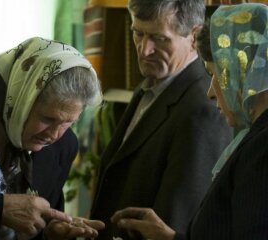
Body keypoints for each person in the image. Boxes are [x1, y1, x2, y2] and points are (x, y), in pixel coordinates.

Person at [111, 3, 268, 240]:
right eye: (138, 33)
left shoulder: (262, 145)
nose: (211, 91)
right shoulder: (255, 136)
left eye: (217, 75)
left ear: (244, 70)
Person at [90, 0, 232, 239]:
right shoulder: (150, 86)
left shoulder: (202, 110)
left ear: (194, 35)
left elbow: (178, 221)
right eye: (138, 33)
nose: (145, 49)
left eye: (160, 38)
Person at [0, 37, 105, 240]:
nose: (55, 135)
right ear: (22, 96)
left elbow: (42, 221)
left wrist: (50, 233)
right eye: (48, 119)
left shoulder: (64, 146)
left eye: (69, 123)